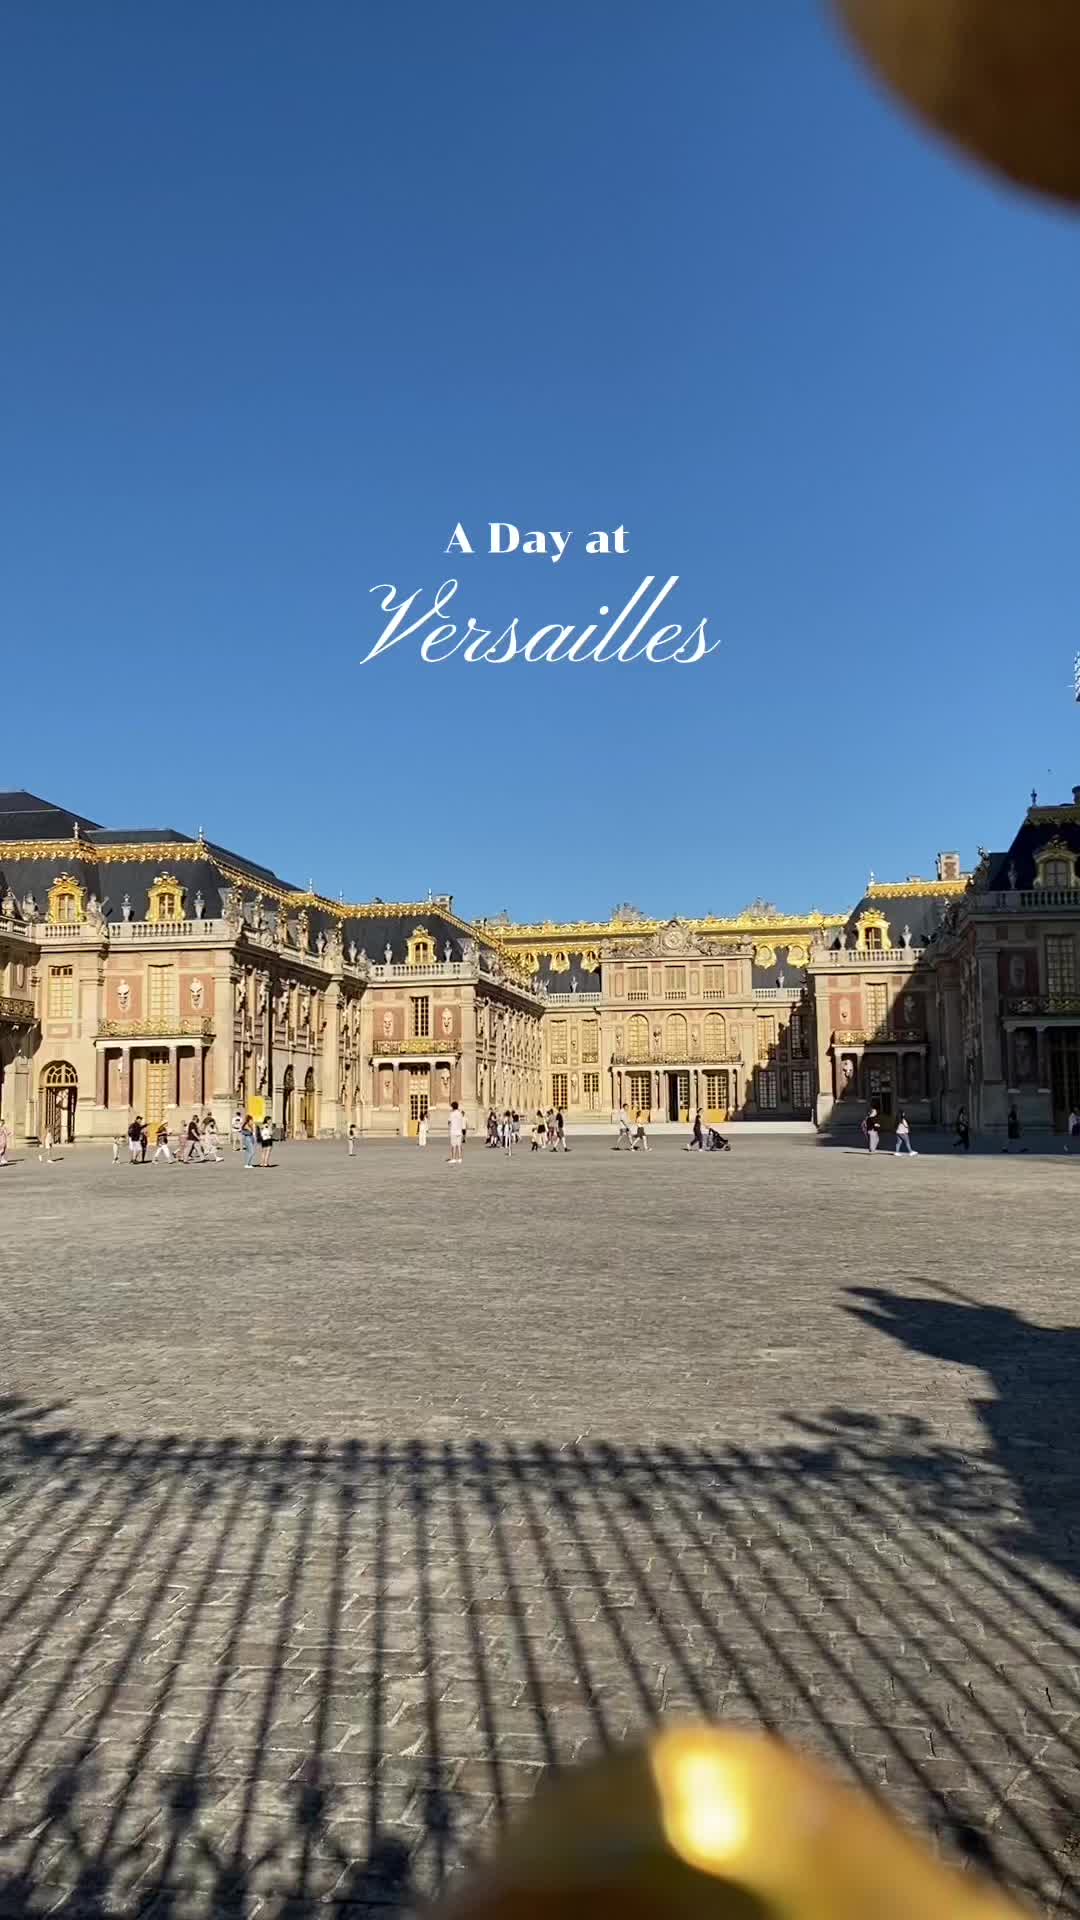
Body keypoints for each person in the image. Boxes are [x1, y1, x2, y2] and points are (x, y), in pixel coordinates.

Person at [447, 1099, 465, 1165]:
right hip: (459, 1131)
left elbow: (449, 1122)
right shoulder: (460, 1113)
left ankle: (453, 1158)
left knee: (453, 1145)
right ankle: (460, 1158)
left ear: (452, 1107)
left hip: (453, 1131)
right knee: (459, 1145)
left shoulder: (452, 1114)